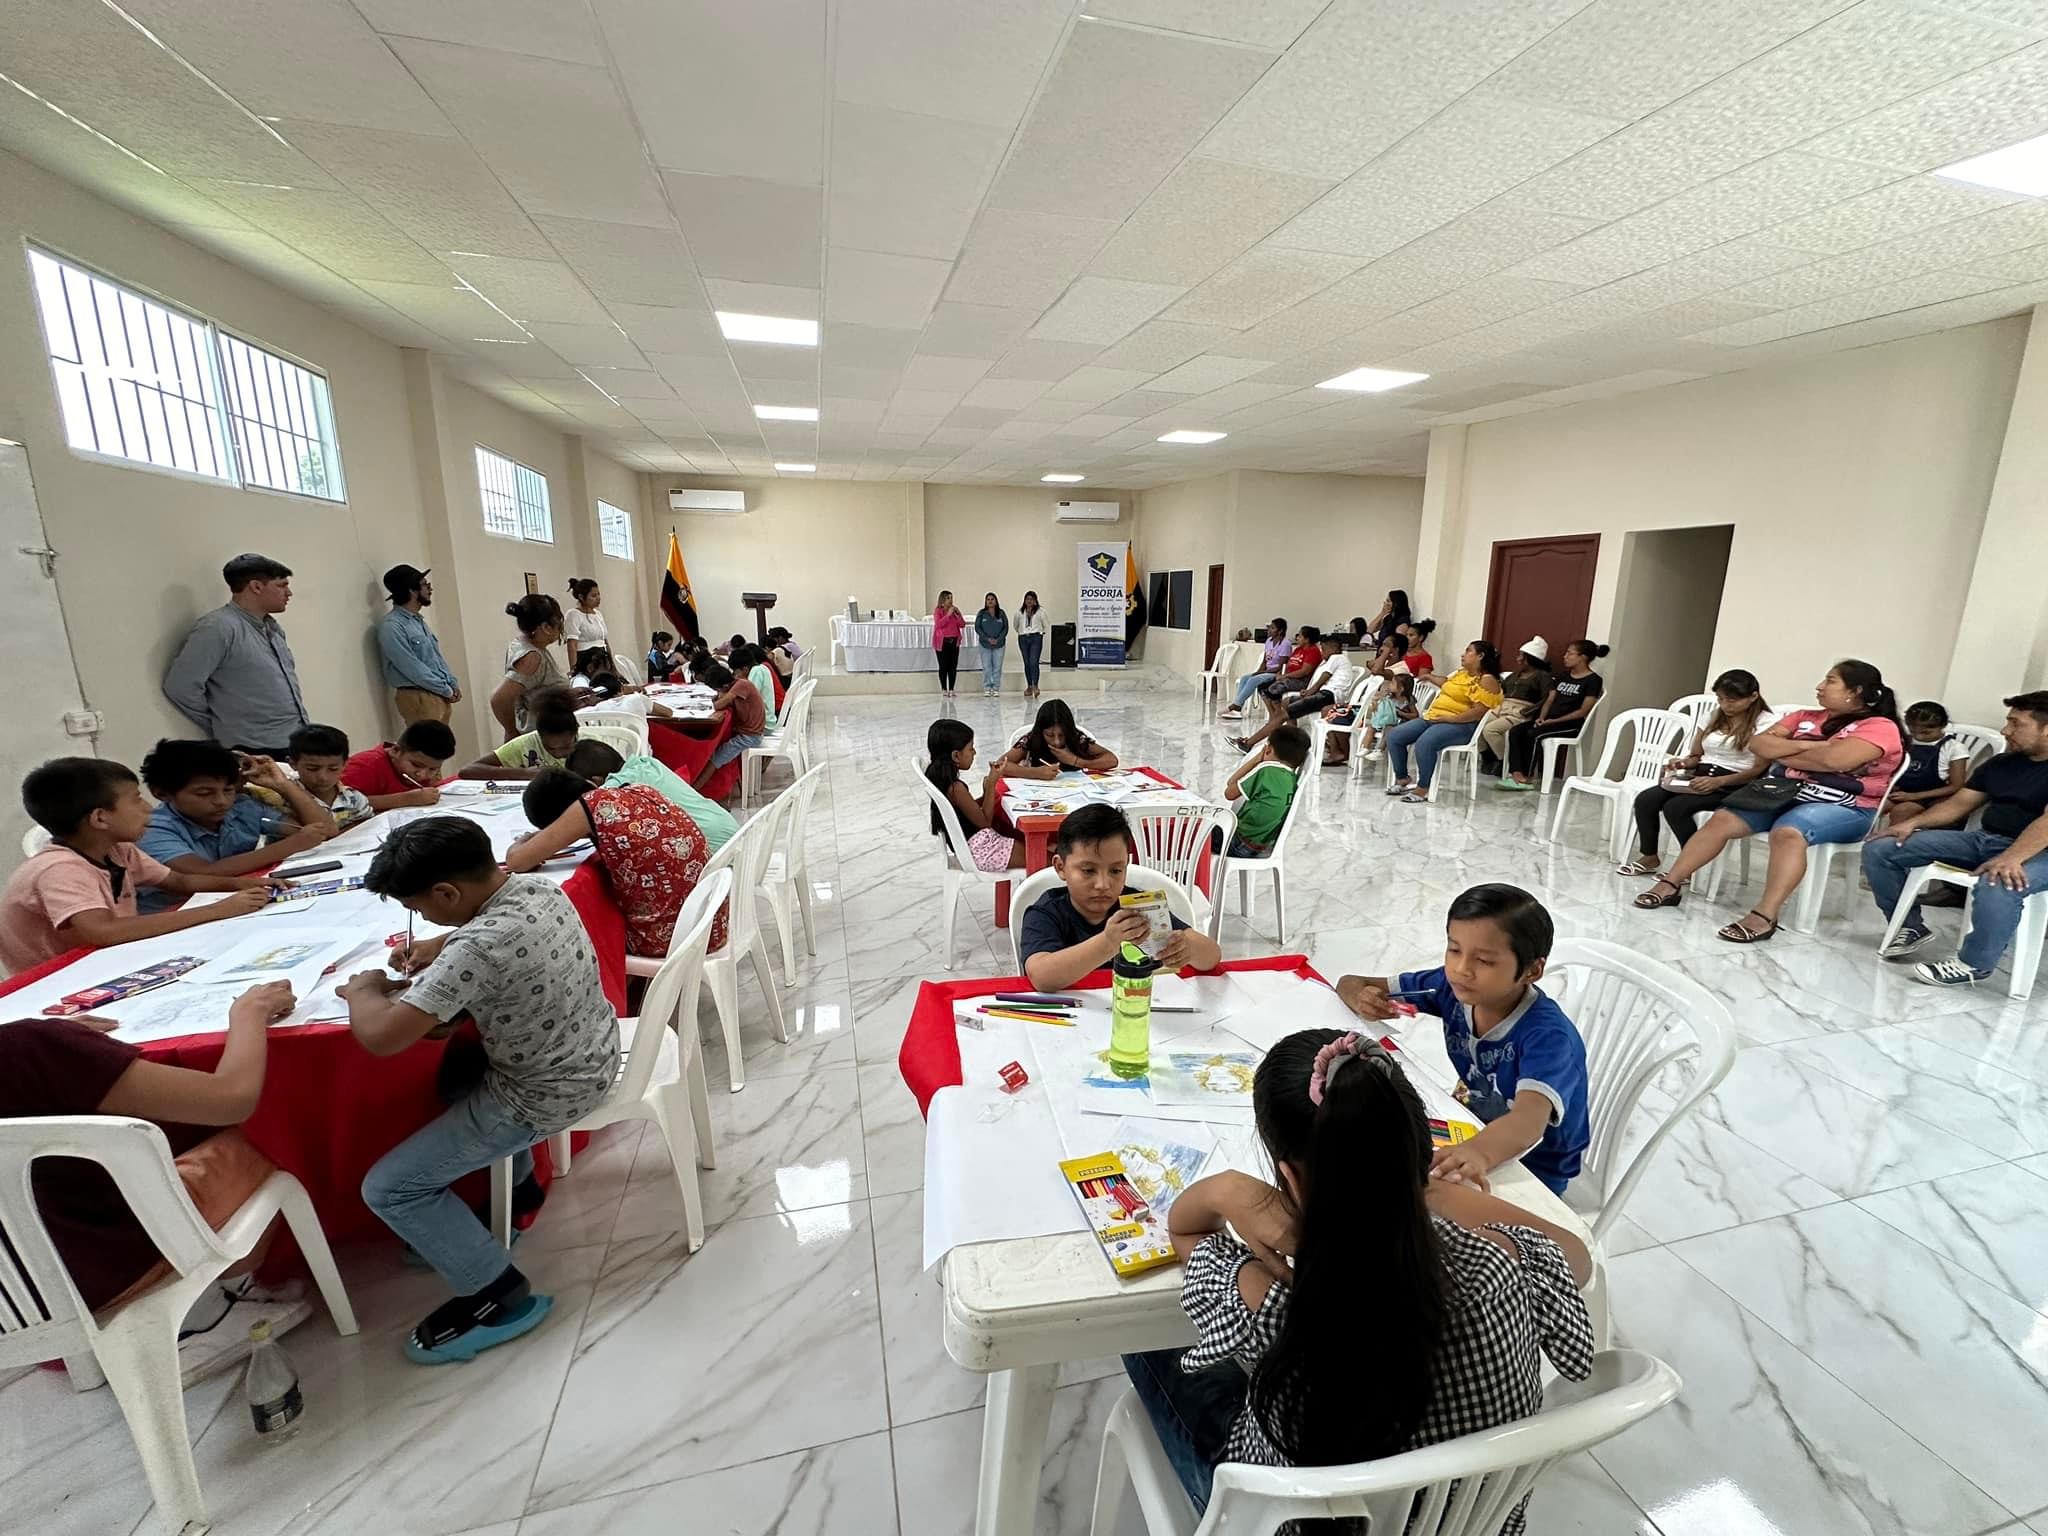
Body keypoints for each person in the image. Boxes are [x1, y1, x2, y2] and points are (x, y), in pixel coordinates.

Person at [1121, 1026, 1592, 1523]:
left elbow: (1187, 1230)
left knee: (1147, 1341)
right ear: (1418, 1149)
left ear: (1291, 1178)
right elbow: (1577, 1259)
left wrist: (1230, 1190)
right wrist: (1419, 1189)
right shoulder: (1502, 1261)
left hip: (1270, 1519)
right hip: (1479, 1525)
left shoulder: (1273, 1305)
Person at [344, 818, 618, 1364]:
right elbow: (488, 946)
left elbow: (382, 1037)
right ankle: (518, 1194)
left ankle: (499, 1296)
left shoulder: (476, 949)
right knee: (454, 1077)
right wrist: (441, 945)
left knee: (390, 1189)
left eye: (420, 908)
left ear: (447, 892)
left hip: (543, 1093)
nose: (422, 919)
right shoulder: (535, 887)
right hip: (592, 1051)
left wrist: (363, 991)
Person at [0, 982, 310, 1363]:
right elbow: (232, 1098)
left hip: (16, 1297)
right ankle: (212, 1307)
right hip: (108, 1266)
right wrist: (249, 1011)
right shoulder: (25, 1049)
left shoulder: (26, 1047)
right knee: (254, 1137)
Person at [1335, 884, 1590, 1195]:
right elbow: (1352, 982)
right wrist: (1361, 997)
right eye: (1454, 950)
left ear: (1532, 971)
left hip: (1532, 1170)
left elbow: (1528, 1121)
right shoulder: (1446, 986)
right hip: (1466, 1121)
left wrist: (1479, 1152)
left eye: (1484, 960)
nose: (1461, 969)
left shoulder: (1549, 1038)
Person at [1634, 659, 1904, 943]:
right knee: (1722, 819)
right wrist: (1813, 747)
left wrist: (1787, 753)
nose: (1820, 687)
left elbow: (1836, 760)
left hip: (1847, 806)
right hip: (1783, 793)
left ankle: (1765, 915)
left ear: (1855, 691)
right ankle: (1671, 883)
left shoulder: (1879, 727)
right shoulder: (1803, 716)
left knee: (1787, 832)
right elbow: (1760, 745)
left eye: (1830, 681)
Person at [0, 759, 276, 974]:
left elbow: (180, 881)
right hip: (57, 979)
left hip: (110, 958)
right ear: (100, 818)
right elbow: (103, 931)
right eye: (136, 799)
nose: (148, 808)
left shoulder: (118, 849)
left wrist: (244, 884)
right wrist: (217, 910)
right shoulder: (60, 869)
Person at [1866, 691, 2048, 989]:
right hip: (1987, 840)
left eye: (2016, 724)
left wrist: (2012, 858)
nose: (2006, 731)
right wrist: (1911, 824)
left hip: (2038, 852)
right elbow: (1959, 804)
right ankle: (1909, 928)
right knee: (1882, 848)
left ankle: (1974, 964)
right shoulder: (2002, 763)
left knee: (2000, 881)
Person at [510, 771, 720, 958]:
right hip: (709, 920)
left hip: (670, 937)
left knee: (579, 932)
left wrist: (527, 838)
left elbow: (517, 861)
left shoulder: (586, 808)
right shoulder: (637, 789)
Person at [1018, 804, 1221, 990]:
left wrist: (1188, 949)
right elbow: (1041, 977)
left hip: (1134, 1004)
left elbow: (1212, 956)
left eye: (1116, 870)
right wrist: (1108, 943)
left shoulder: (1139, 907)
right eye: (1088, 870)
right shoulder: (1045, 912)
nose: (1103, 885)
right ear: (1060, 867)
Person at [135, 740, 337, 912]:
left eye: (228, 790)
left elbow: (324, 830)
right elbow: (201, 874)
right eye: (204, 793)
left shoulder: (241, 806)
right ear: (161, 793)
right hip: (178, 911)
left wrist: (283, 785)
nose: (221, 801)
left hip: (236, 899)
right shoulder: (151, 828)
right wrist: (292, 844)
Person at [1617, 670, 1777, 878]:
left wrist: (1719, 781)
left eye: (1732, 700)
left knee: (1676, 807)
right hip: (1699, 777)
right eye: (1720, 699)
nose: (1725, 705)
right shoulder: (1713, 716)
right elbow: (1696, 755)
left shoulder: (1766, 723)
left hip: (1734, 784)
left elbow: (1758, 770)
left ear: (1753, 696)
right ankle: (1649, 857)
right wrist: (1682, 762)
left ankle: (1687, 868)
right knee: (1646, 799)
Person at [161, 553, 308, 757]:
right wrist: (223, 723)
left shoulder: (272, 627)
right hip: (254, 747)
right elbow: (180, 687)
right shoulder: (218, 628)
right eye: (282, 585)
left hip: (293, 740)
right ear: (256, 587)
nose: (289, 593)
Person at [562, 739, 738, 853]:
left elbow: (577, 827)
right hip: (731, 830)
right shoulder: (647, 763)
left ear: (595, 781)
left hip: (711, 851)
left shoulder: (615, 787)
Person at [1382, 640, 1504, 803]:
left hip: (1462, 725)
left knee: (1425, 742)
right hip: (1435, 718)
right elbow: (1447, 683)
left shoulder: (1487, 680)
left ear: (1480, 656)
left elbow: (1478, 712)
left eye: (1468, 651)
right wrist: (1429, 676)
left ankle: (1423, 788)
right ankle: (1402, 778)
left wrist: (1450, 718)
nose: (1463, 655)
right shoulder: (1462, 673)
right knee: (1395, 736)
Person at [1502, 639, 1609, 788]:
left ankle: (1528, 777)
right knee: (1516, 731)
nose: (1565, 656)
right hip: (1548, 721)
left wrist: (1553, 721)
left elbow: (1583, 711)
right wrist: (1542, 717)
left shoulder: (1593, 680)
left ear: (1583, 657)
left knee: (1534, 734)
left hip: (1571, 724)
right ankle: (1515, 773)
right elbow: (1550, 698)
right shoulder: (1563, 676)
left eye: (1570, 653)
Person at [1231, 637, 1359, 754]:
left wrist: (1310, 692)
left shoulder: (1337, 657)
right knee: (1286, 702)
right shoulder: (1329, 661)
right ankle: (1291, 738)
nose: (1322, 652)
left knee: (1282, 715)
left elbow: (1325, 676)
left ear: (1334, 648)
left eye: (1324, 649)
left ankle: (1248, 743)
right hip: (1322, 695)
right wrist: (1307, 691)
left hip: (1327, 696)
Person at [924, 719, 1021, 871]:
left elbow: (968, 811)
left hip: (972, 845)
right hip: (981, 849)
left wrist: (985, 794)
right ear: (956, 756)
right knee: (1042, 856)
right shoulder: (956, 788)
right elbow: (985, 822)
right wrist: (991, 785)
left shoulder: (940, 778)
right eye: (971, 749)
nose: (974, 752)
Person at [377, 564, 461, 725]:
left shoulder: (417, 621)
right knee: (427, 741)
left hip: (437, 693)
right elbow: (411, 667)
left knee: (441, 741)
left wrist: (451, 682)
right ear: (411, 590)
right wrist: (445, 689)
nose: (430, 589)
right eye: (425, 585)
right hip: (418, 695)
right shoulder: (392, 626)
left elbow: (435, 658)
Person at [673, 656, 767, 793]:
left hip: (750, 736)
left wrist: (717, 699)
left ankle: (693, 791)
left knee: (715, 759)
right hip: (748, 731)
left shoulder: (741, 685)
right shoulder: (736, 685)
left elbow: (719, 704)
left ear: (724, 686)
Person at [463, 688, 585, 780]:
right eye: (550, 748)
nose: (559, 754)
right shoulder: (526, 744)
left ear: (576, 733)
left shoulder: (589, 742)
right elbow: (467, 770)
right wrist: (524, 773)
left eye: (566, 747)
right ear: (539, 736)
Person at [1223, 725, 1307, 858]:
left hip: (1237, 843)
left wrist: (1257, 759)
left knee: (1194, 825)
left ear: (1268, 749)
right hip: (1257, 847)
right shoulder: (1291, 778)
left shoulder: (1266, 770)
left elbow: (1229, 791)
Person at [493, 595, 571, 739]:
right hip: (540, 734)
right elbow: (499, 699)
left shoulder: (524, 644)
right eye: (559, 622)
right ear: (546, 627)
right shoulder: (532, 657)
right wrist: (512, 733)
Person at [1884, 700, 1972, 823]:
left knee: (1902, 811)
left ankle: (1893, 835)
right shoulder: (1904, 741)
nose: (1918, 737)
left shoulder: (1954, 748)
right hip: (1901, 791)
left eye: (1926, 732)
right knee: (1874, 805)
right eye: (1913, 731)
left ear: (1943, 725)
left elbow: (1956, 786)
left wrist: (1914, 796)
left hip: (1931, 795)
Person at [1474, 638, 1550, 774]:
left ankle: (1505, 761)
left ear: (1530, 659)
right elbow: (1502, 690)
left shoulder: (1542, 676)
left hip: (1519, 711)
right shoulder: (1515, 675)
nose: (1518, 659)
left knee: (1490, 730)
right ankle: (1488, 757)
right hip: (1502, 706)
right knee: (1477, 726)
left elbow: (1547, 698)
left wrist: (1530, 711)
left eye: (1521, 656)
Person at [342, 720, 457, 811]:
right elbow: (342, 804)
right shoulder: (365, 766)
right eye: (416, 765)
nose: (422, 775)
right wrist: (406, 799)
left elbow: (432, 791)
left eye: (433, 769)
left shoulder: (420, 770)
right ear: (395, 751)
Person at [997, 698, 1121, 779]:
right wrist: (1034, 773)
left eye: (1062, 735)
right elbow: (1000, 765)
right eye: (1050, 735)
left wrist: (1076, 761)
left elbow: (1112, 760)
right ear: (1041, 731)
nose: (1057, 741)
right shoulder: (1032, 739)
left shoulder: (1077, 738)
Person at [284, 724, 374, 830]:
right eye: (312, 769)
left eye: (333, 769)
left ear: (344, 764)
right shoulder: (284, 800)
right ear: (293, 764)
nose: (323, 777)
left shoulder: (354, 798)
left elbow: (369, 828)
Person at [1219, 619, 1293, 718]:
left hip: (1276, 673)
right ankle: (1238, 707)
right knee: (1245, 678)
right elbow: (1264, 661)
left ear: (1280, 631)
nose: (1269, 630)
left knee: (1253, 680)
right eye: (1269, 628)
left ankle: (1236, 706)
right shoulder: (1269, 641)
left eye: (1272, 628)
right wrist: (1258, 672)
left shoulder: (1285, 644)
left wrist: (1262, 673)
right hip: (1266, 671)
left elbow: (1280, 666)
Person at [576, 651, 675, 719]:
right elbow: (668, 712)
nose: (608, 672)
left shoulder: (597, 702)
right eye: (605, 668)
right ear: (590, 668)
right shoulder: (580, 682)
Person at [1353, 670, 1418, 762]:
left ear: (1401, 688)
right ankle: (1365, 748)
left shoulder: (1408, 699)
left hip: (1398, 723)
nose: (1390, 685)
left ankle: (1379, 750)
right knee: (1371, 727)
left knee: (1388, 729)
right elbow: (1376, 707)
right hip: (1384, 720)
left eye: (1393, 683)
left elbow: (1415, 715)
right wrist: (1379, 697)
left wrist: (1401, 713)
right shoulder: (1389, 696)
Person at [561, 578, 609, 674]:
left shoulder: (598, 614)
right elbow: (572, 644)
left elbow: (605, 641)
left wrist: (613, 666)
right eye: (593, 596)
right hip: (585, 660)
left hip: (602, 658)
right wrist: (573, 669)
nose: (598, 598)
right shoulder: (573, 614)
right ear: (581, 597)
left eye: (598, 594)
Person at [730, 643, 782, 728]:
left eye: (736, 672)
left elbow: (748, 698)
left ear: (745, 669)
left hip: (762, 724)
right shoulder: (762, 667)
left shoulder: (756, 671)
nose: (735, 675)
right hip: (767, 720)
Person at [974, 591, 1010, 696]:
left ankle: (995, 688)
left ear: (996, 601)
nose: (990, 601)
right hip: (985, 645)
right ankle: (987, 687)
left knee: (997, 667)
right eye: (988, 599)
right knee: (987, 667)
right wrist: (987, 639)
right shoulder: (982, 613)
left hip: (999, 645)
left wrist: (998, 639)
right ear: (985, 601)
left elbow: (1005, 628)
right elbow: (978, 627)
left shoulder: (1001, 613)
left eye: (992, 599)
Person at [932, 590, 965, 698]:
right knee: (943, 666)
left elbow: (962, 624)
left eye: (951, 598)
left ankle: (951, 688)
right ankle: (944, 688)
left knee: (953, 666)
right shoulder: (938, 611)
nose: (950, 600)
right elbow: (939, 625)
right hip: (942, 642)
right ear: (942, 600)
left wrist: (958, 614)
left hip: (954, 642)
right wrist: (948, 615)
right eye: (948, 598)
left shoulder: (954, 612)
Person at [1016, 591, 1047, 698]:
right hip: (1023, 638)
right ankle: (1029, 686)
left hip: (1036, 638)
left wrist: (1040, 634)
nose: (1029, 601)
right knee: (1027, 663)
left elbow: (1046, 624)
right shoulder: (1019, 612)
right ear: (1024, 600)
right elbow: (1016, 625)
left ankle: (1036, 686)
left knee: (1034, 662)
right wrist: (1022, 632)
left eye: (1031, 599)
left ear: (1035, 601)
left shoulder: (1041, 612)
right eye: (1027, 599)